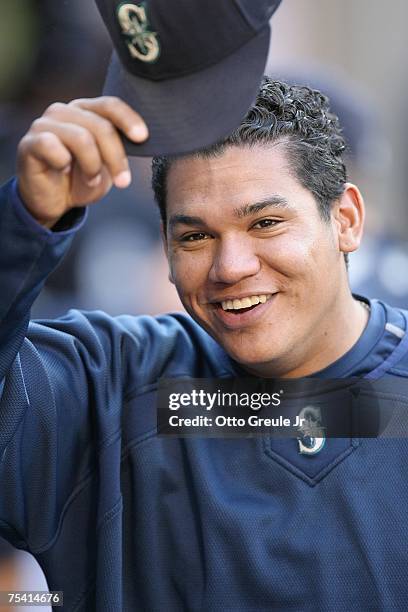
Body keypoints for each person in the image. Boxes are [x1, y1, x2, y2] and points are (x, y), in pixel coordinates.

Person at [1, 77, 408, 611]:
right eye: (194, 236)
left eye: (265, 223)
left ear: (346, 220)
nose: (230, 267)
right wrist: (24, 222)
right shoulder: (107, 390)